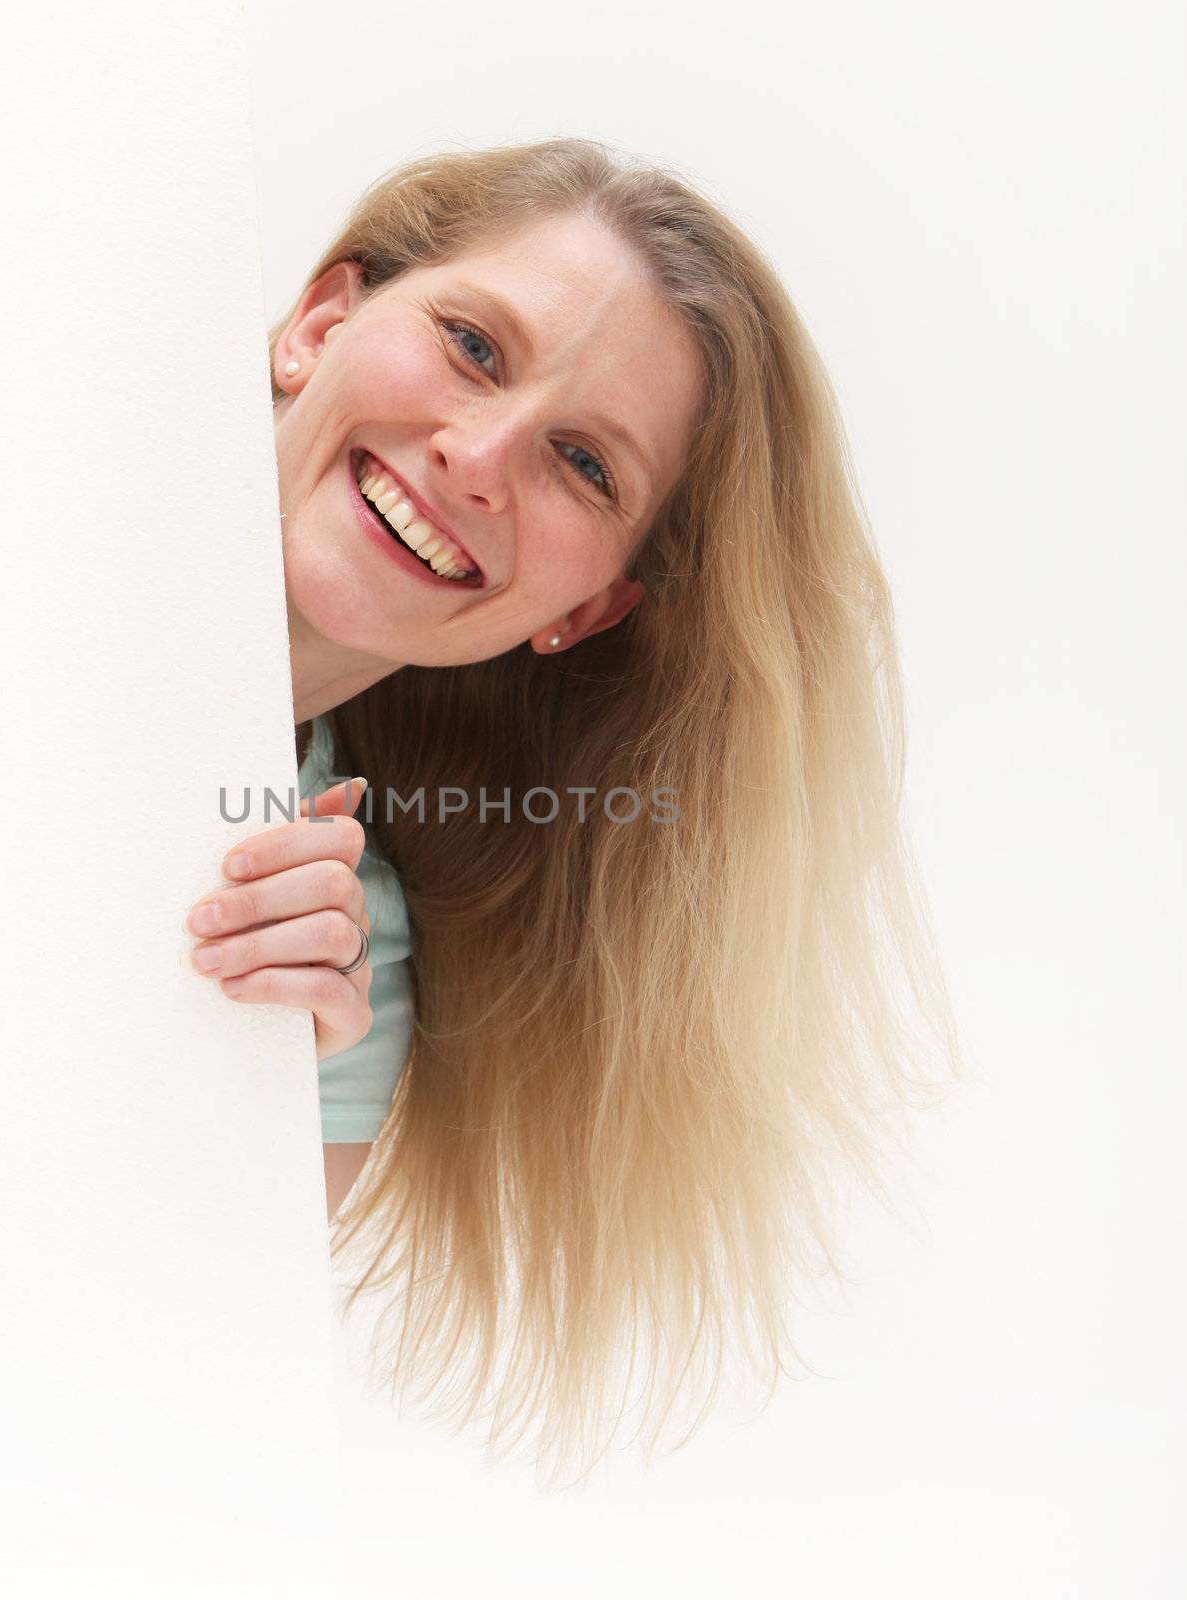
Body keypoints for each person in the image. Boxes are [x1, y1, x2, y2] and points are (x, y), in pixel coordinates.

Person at [185, 138, 962, 1489]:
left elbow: (139, 1385)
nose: (476, 458)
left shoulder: (343, 976)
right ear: (319, 322)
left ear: (587, 610)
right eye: (473, 346)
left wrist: (245, 1083)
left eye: (584, 465)